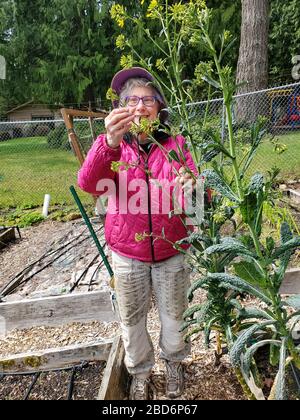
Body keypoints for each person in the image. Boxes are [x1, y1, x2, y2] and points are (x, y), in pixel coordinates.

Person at [78, 67, 197, 400]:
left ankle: (174, 365)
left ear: (159, 107)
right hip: (128, 253)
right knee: (131, 322)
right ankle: (141, 373)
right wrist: (109, 143)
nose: (140, 106)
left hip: (172, 249)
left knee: (175, 317)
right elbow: (88, 183)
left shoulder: (177, 144)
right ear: (120, 108)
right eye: (131, 99)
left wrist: (194, 188)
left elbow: (199, 195)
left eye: (148, 99)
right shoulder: (114, 148)